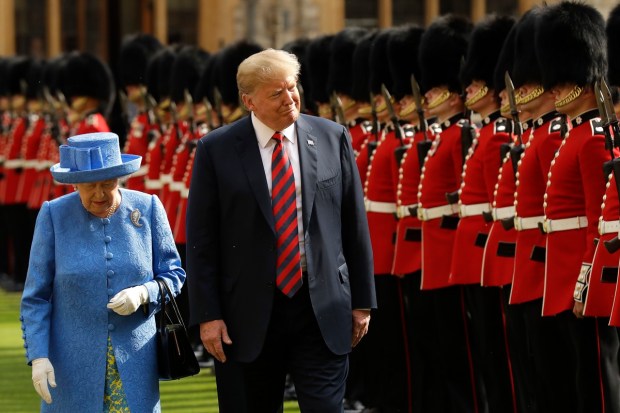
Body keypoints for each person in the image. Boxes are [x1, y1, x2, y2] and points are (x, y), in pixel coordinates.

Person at [186, 48, 376, 412]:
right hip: (247, 314)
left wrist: (363, 301)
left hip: (321, 307)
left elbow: (354, 225)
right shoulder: (216, 149)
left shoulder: (332, 136)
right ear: (249, 101)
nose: (289, 99)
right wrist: (207, 316)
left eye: (292, 88)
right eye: (276, 93)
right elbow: (202, 242)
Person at [20, 132, 186, 412]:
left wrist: (145, 292)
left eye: (107, 183)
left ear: (119, 178)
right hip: (71, 368)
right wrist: (38, 356)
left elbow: (174, 274)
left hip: (136, 363)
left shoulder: (148, 208)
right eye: (89, 186)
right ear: (74, 185)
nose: (99, 194)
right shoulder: (53, 215)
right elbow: (36, 297)